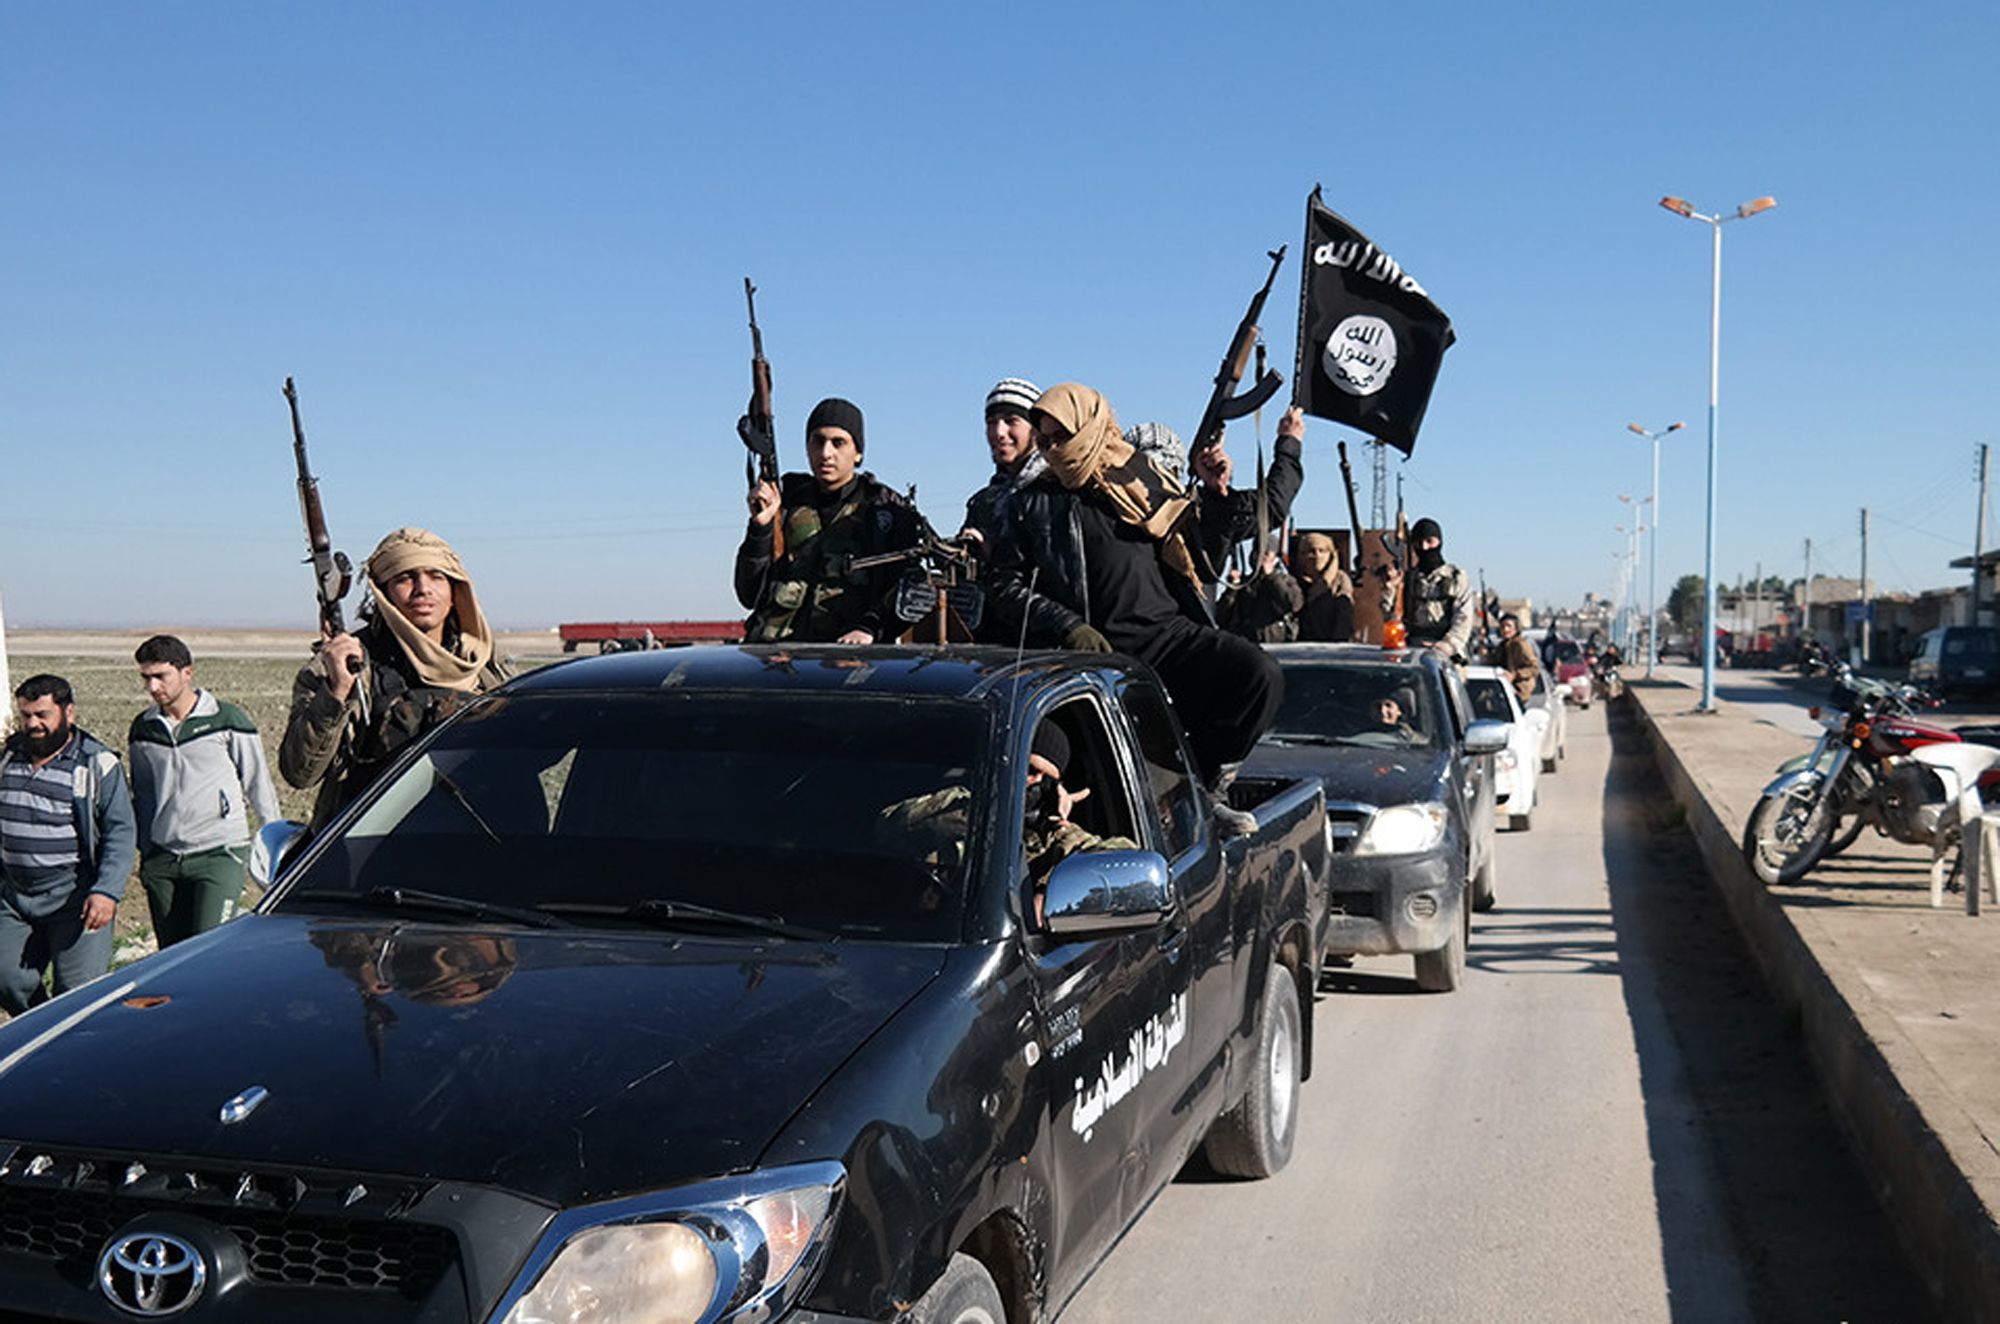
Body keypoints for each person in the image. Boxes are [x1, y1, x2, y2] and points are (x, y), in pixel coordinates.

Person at [985, 383, 1282, 825]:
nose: (1051, 450)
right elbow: (1004, 586)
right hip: (1099, 652)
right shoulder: (1032, 503)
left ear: (1088, 427)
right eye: (1044, 441)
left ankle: (1199, 787)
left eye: (1060, 437)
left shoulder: (1140, 478)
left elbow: (1201, 558)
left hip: (1167, 636)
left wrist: (1217, 495)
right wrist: (1069, 626)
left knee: (1258, 676)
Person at [281, 527, 509, 832]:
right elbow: (300, 773)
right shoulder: (346, 665)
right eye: (404, 578)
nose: (422, 589)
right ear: (382, 593)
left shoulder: (486, 665)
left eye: (436, 576)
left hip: (477, 836)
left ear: (456, 591)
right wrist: (336, 693)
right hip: (373, 846)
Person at [127, 635, 281, 946]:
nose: (152, 687)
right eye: (146, 677)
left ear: (187, 672)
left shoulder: (226, 719)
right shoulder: (143, 728)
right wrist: (148, 853)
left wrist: (277, 850)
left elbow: (257, 784)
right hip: (164, 859)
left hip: (219, 853)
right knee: (172, 956)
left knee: (209, 948)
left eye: (160, 676)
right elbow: (143, 794)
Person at [735, 397, 927, 643]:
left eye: (839, 443)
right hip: (771, 656)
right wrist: (760, 529)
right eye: (818, 441)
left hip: (843, 662)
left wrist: (871, 628)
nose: (826, 453)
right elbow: (748, 594)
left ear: (858, 453)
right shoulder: (784, 501)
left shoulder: (885, 509)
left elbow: (911, 588)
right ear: (807, 447)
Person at [0, 675, 137, 1014]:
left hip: (75, 896)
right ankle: (41, 1032)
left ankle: (72, 1051)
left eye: (42, 715)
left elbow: (120, 831)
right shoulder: (7, 757)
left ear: (69, 713)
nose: (33, 724)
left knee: (78, 996)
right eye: (26, 716)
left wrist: (107, 891)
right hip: (15, 896)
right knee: (7, 980)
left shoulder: (96, 763)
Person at [1384, 517, 1474, 660]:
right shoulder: (1408, 579)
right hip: (1412, 651)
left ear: (1439, 542)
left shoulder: (1456, 577)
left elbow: (1464, 618)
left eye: (1429, 541)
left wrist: (1448, 645)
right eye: (1419, 543)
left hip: (1447, 652)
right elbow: (1391, 617)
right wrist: (1391, 590)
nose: (1424, 548)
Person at [1218, 548, 1303, 644]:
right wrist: (1232, 588)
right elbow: (1222, 615)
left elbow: (1294, 605)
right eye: (1257, 552)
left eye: (1266, 553)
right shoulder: (1244, 583)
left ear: (1275, 557)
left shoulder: (1286, 580)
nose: (1261, 557)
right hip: (1247, 644)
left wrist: (1271, 576)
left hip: (1279, 643)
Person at [1293, 532, 1356, 643]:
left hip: (1328, 649)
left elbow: (1344, 616)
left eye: (1321, 551)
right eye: (1309, 552)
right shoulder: (1294, 581)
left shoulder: (1339, 579)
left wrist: (1336, 645)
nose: (1316, 556)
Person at [1495, 614, 1540, 706]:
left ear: (1516, 628)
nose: (1505, 629)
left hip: (1521, 693)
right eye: (1503, 626)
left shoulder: (1521, 645)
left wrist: (1515, 675)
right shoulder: (1501, 646)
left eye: (1508, 626)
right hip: (1503, 690)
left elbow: (1534, 668)